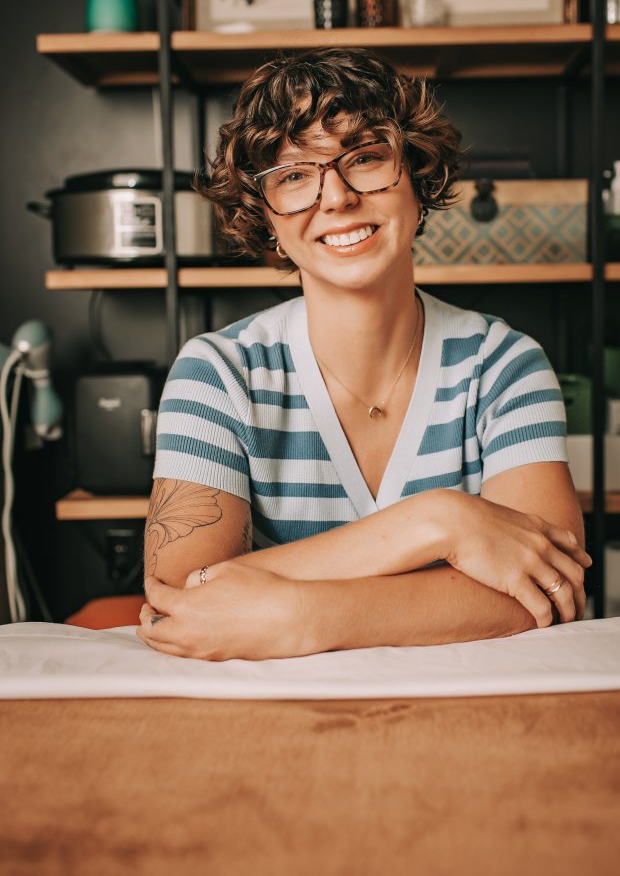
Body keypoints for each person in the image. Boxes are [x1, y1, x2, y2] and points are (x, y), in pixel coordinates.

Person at [137, 46, 591, 661]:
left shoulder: (504, 365)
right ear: (266, 217)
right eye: (293, 175)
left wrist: (302, 618)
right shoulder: (218, 374)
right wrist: (440, 523)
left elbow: (550, 590)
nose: (337, 198)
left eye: (366, 158)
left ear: (419, 178)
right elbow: (178, 601)